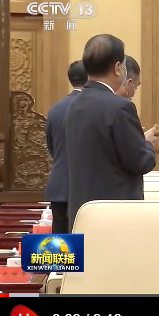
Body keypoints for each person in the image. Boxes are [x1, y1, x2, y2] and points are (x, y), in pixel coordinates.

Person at [64, 34, 159, 230]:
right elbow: (140, 161)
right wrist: (147, 144)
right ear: (117, 68)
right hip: (115, 215)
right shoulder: (120, 107)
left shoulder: (74, 105)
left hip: (81, 213)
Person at [44, 60, 88, 234]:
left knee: (61, 243)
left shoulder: (55, 109)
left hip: (59, 185)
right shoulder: (93, 107)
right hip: (86, 186)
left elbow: (51, 146)